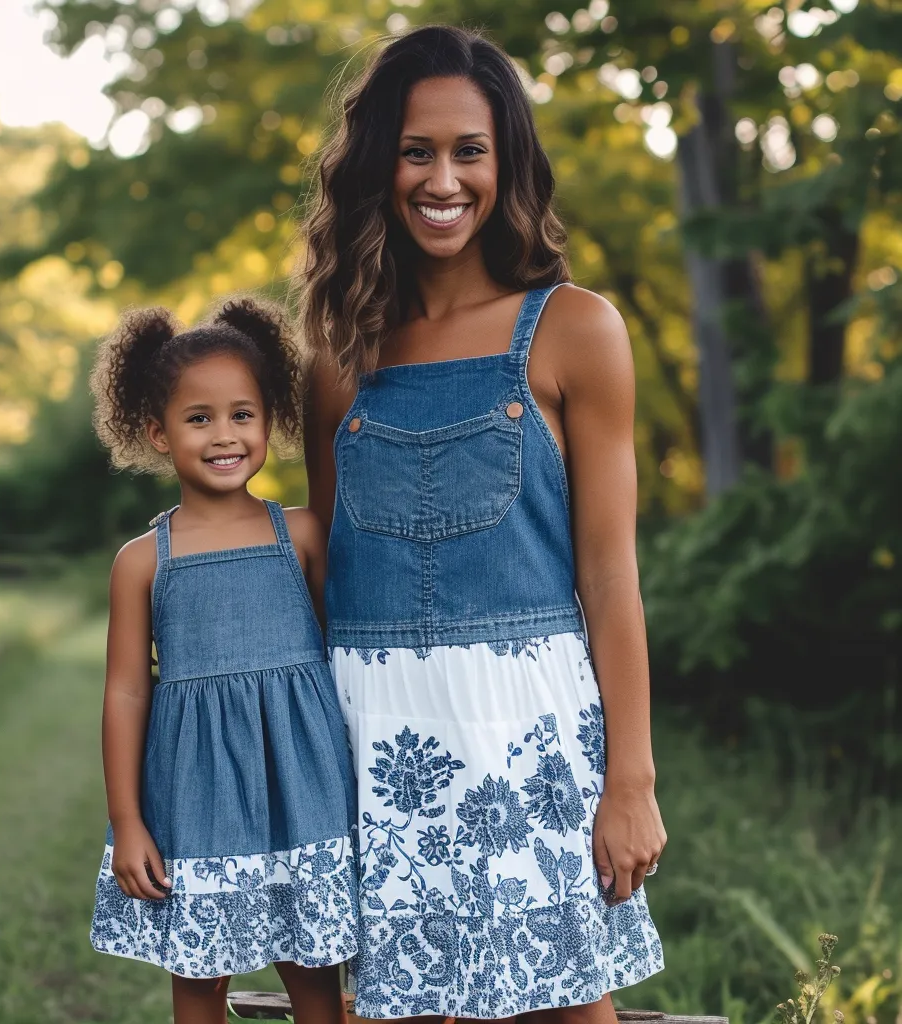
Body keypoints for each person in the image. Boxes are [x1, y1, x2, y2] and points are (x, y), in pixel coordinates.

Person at [300, 25, 665, 1022]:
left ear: (505, 164)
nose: (441, 178)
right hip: (378, 749)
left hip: (532, 743)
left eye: (469, 150)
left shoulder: (574, 330)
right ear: (379, 166)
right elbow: (329, 571)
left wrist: (628, 779)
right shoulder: (338, 361)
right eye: (416, 151)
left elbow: (608, 578)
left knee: (563, 1010)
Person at [87, 297, 358, 1024]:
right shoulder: (141, 561)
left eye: (243, 414)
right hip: (194, 798)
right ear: (156, 431)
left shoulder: (301, 533)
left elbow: (347, 661)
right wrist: (128, 821)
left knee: (313, 975)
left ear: (270, 420)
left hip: (304, 790)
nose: (224, 435)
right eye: (198, 418)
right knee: (200, 978)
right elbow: (124, 694)